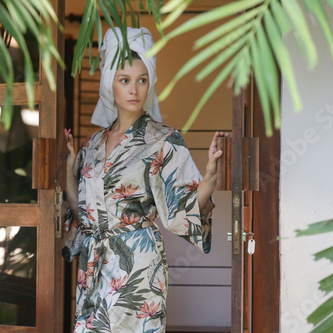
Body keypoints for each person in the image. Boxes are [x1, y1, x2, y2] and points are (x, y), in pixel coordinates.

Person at [62, 27, 228, 332]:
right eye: (124, 80)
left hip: (138, 265)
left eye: (142, 80)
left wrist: (210, 177)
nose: (134, 90)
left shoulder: (164, 140)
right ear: (109, 83)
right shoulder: (90, 146)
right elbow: (81, 214)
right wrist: (69, 168)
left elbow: (180, 210)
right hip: (95, 265)